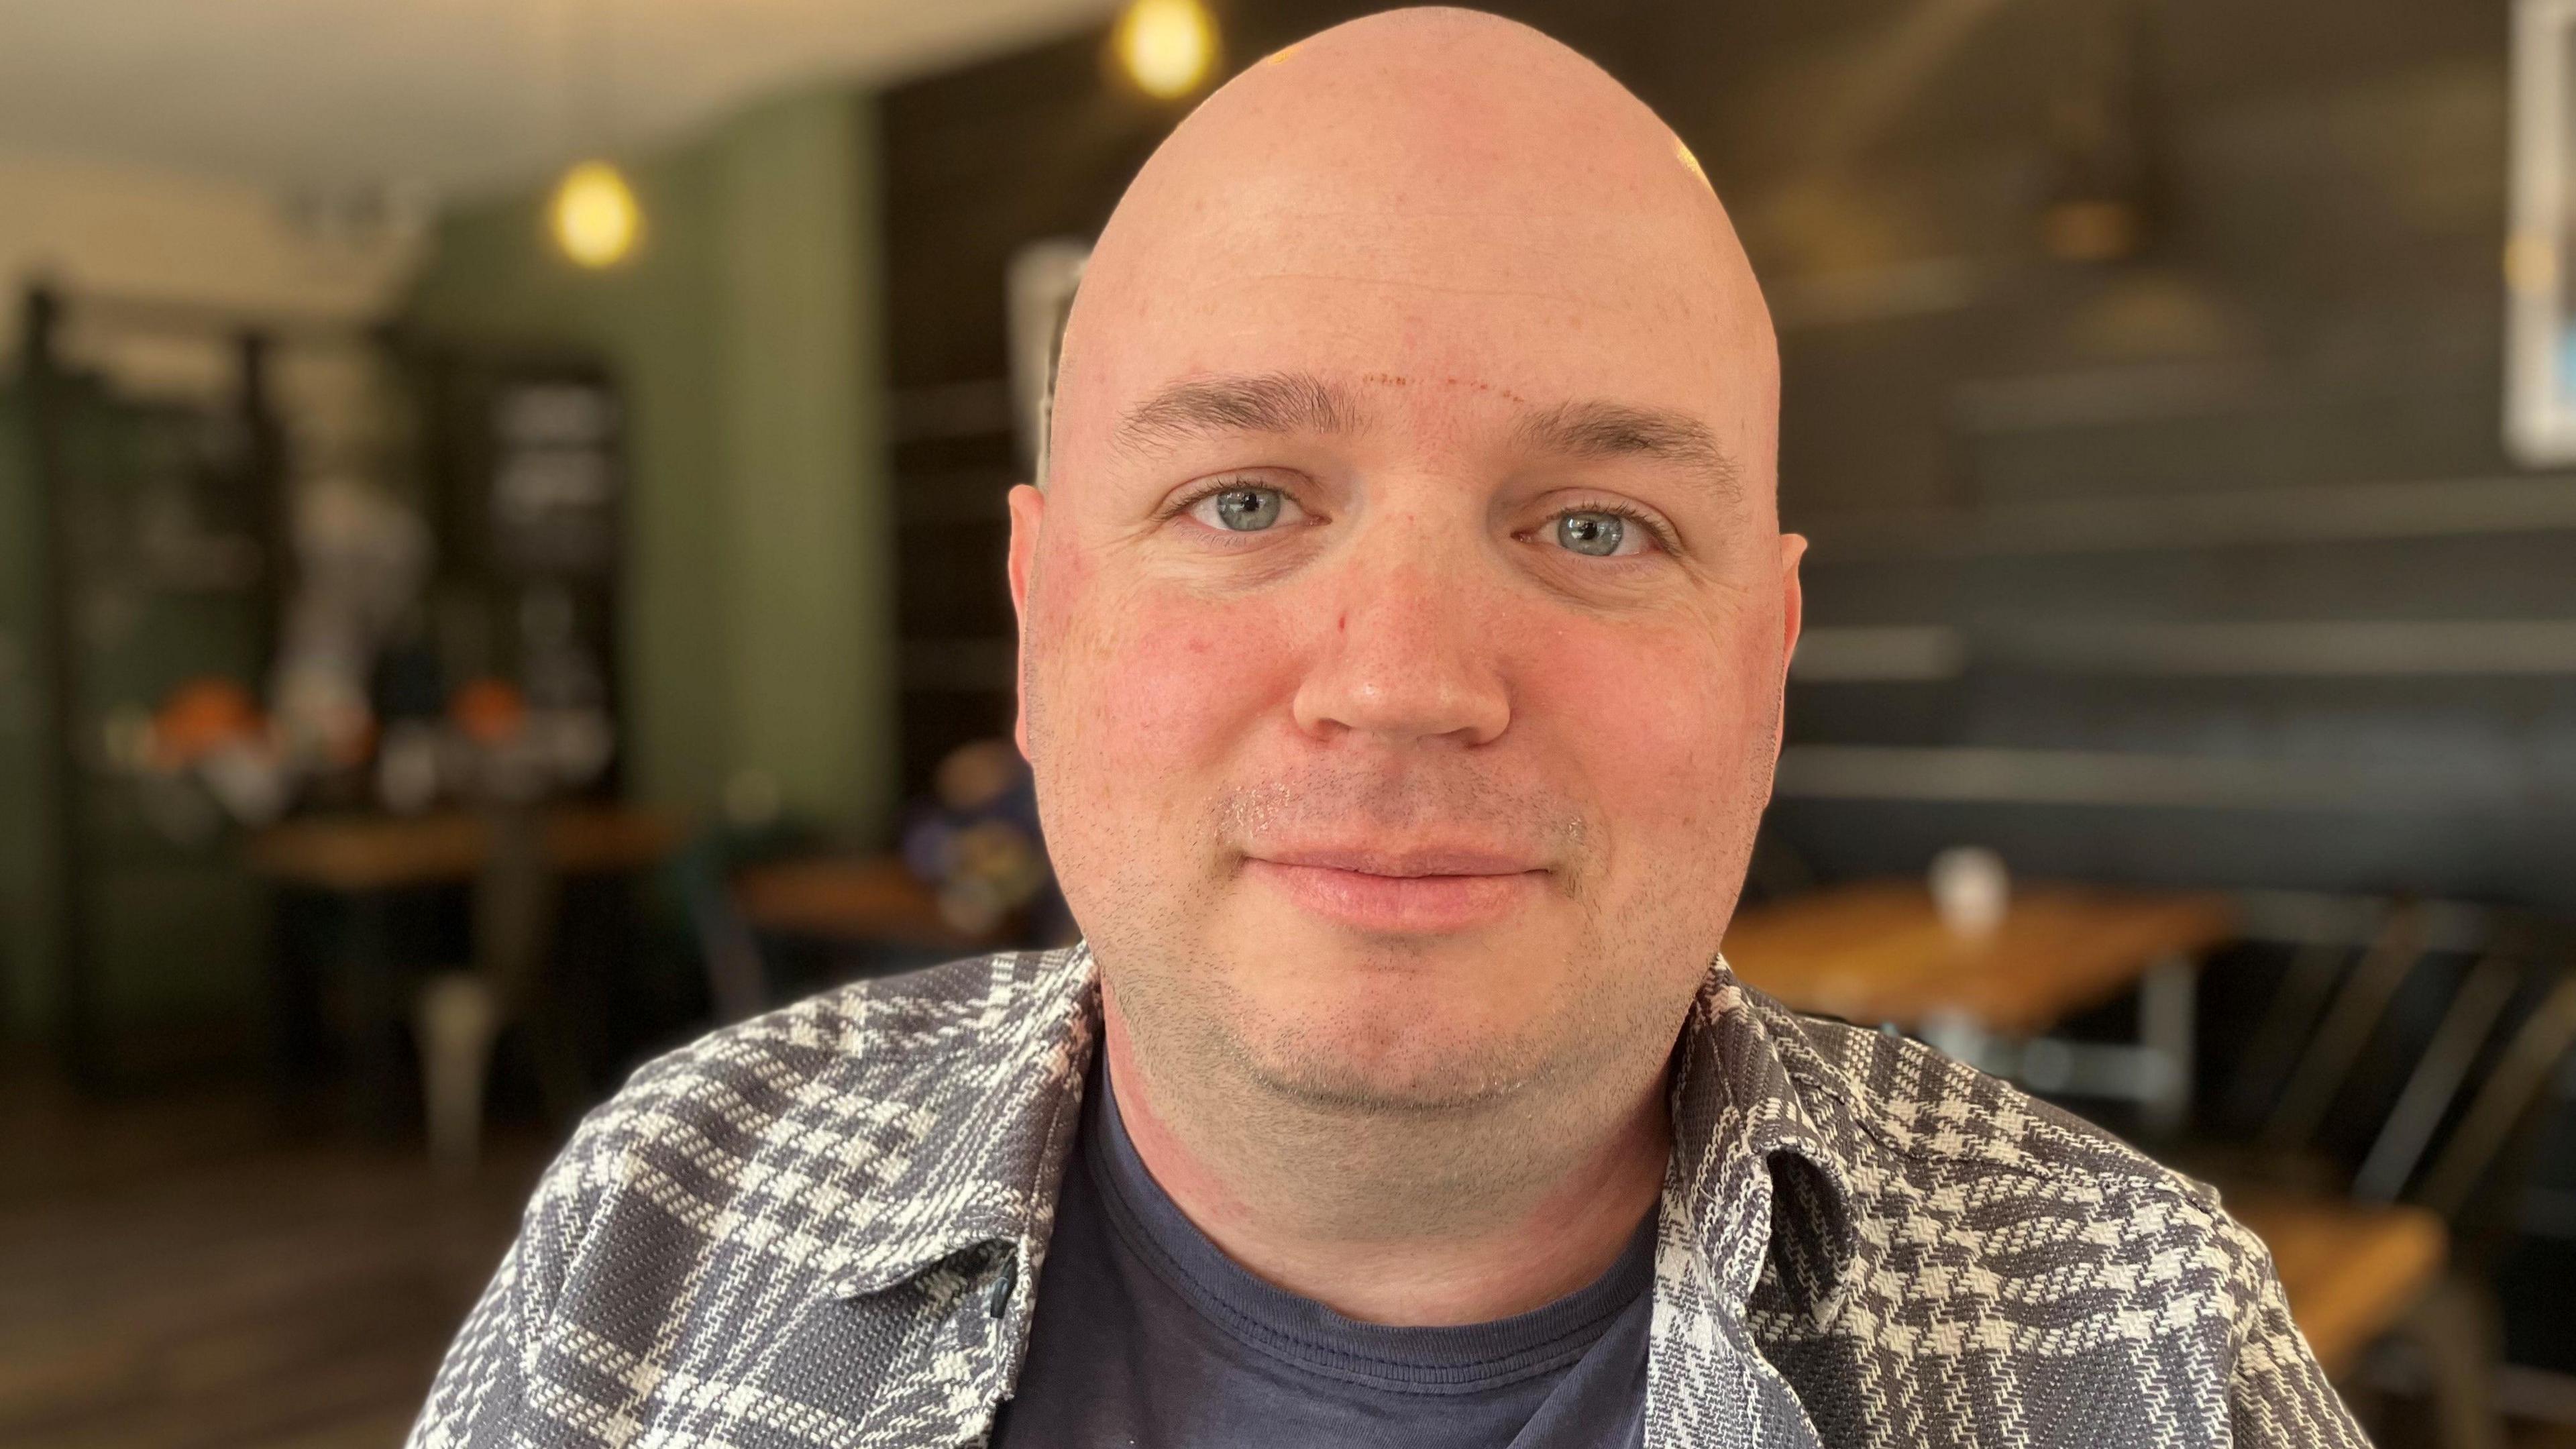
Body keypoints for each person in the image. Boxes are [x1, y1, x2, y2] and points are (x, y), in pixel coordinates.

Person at [406, 10, 2363, 1447]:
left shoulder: (2148, 1360)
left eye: (1598, 527)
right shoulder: (659, 1221)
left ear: (1765, 660)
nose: (1408, 680)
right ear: (1042, 615)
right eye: (1246, 499)